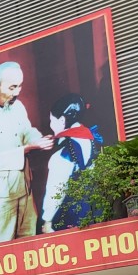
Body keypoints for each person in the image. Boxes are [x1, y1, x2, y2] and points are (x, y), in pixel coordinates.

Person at [0, 61, 54, 245]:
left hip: (23, 190)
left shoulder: (17, 107)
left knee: (29, 242)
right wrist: (28, 149)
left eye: (20, 86)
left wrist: (38, 139)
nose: (17, 92)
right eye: (12, 87)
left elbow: (26, 131)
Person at [41, 94, 103, 232]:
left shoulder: (62, 155)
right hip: (99, 208)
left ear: (62, 120)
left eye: (52, 120)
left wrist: (47, 220)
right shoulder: (92, 139)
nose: (50, 124)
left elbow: (56, 190)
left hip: (75, 215)